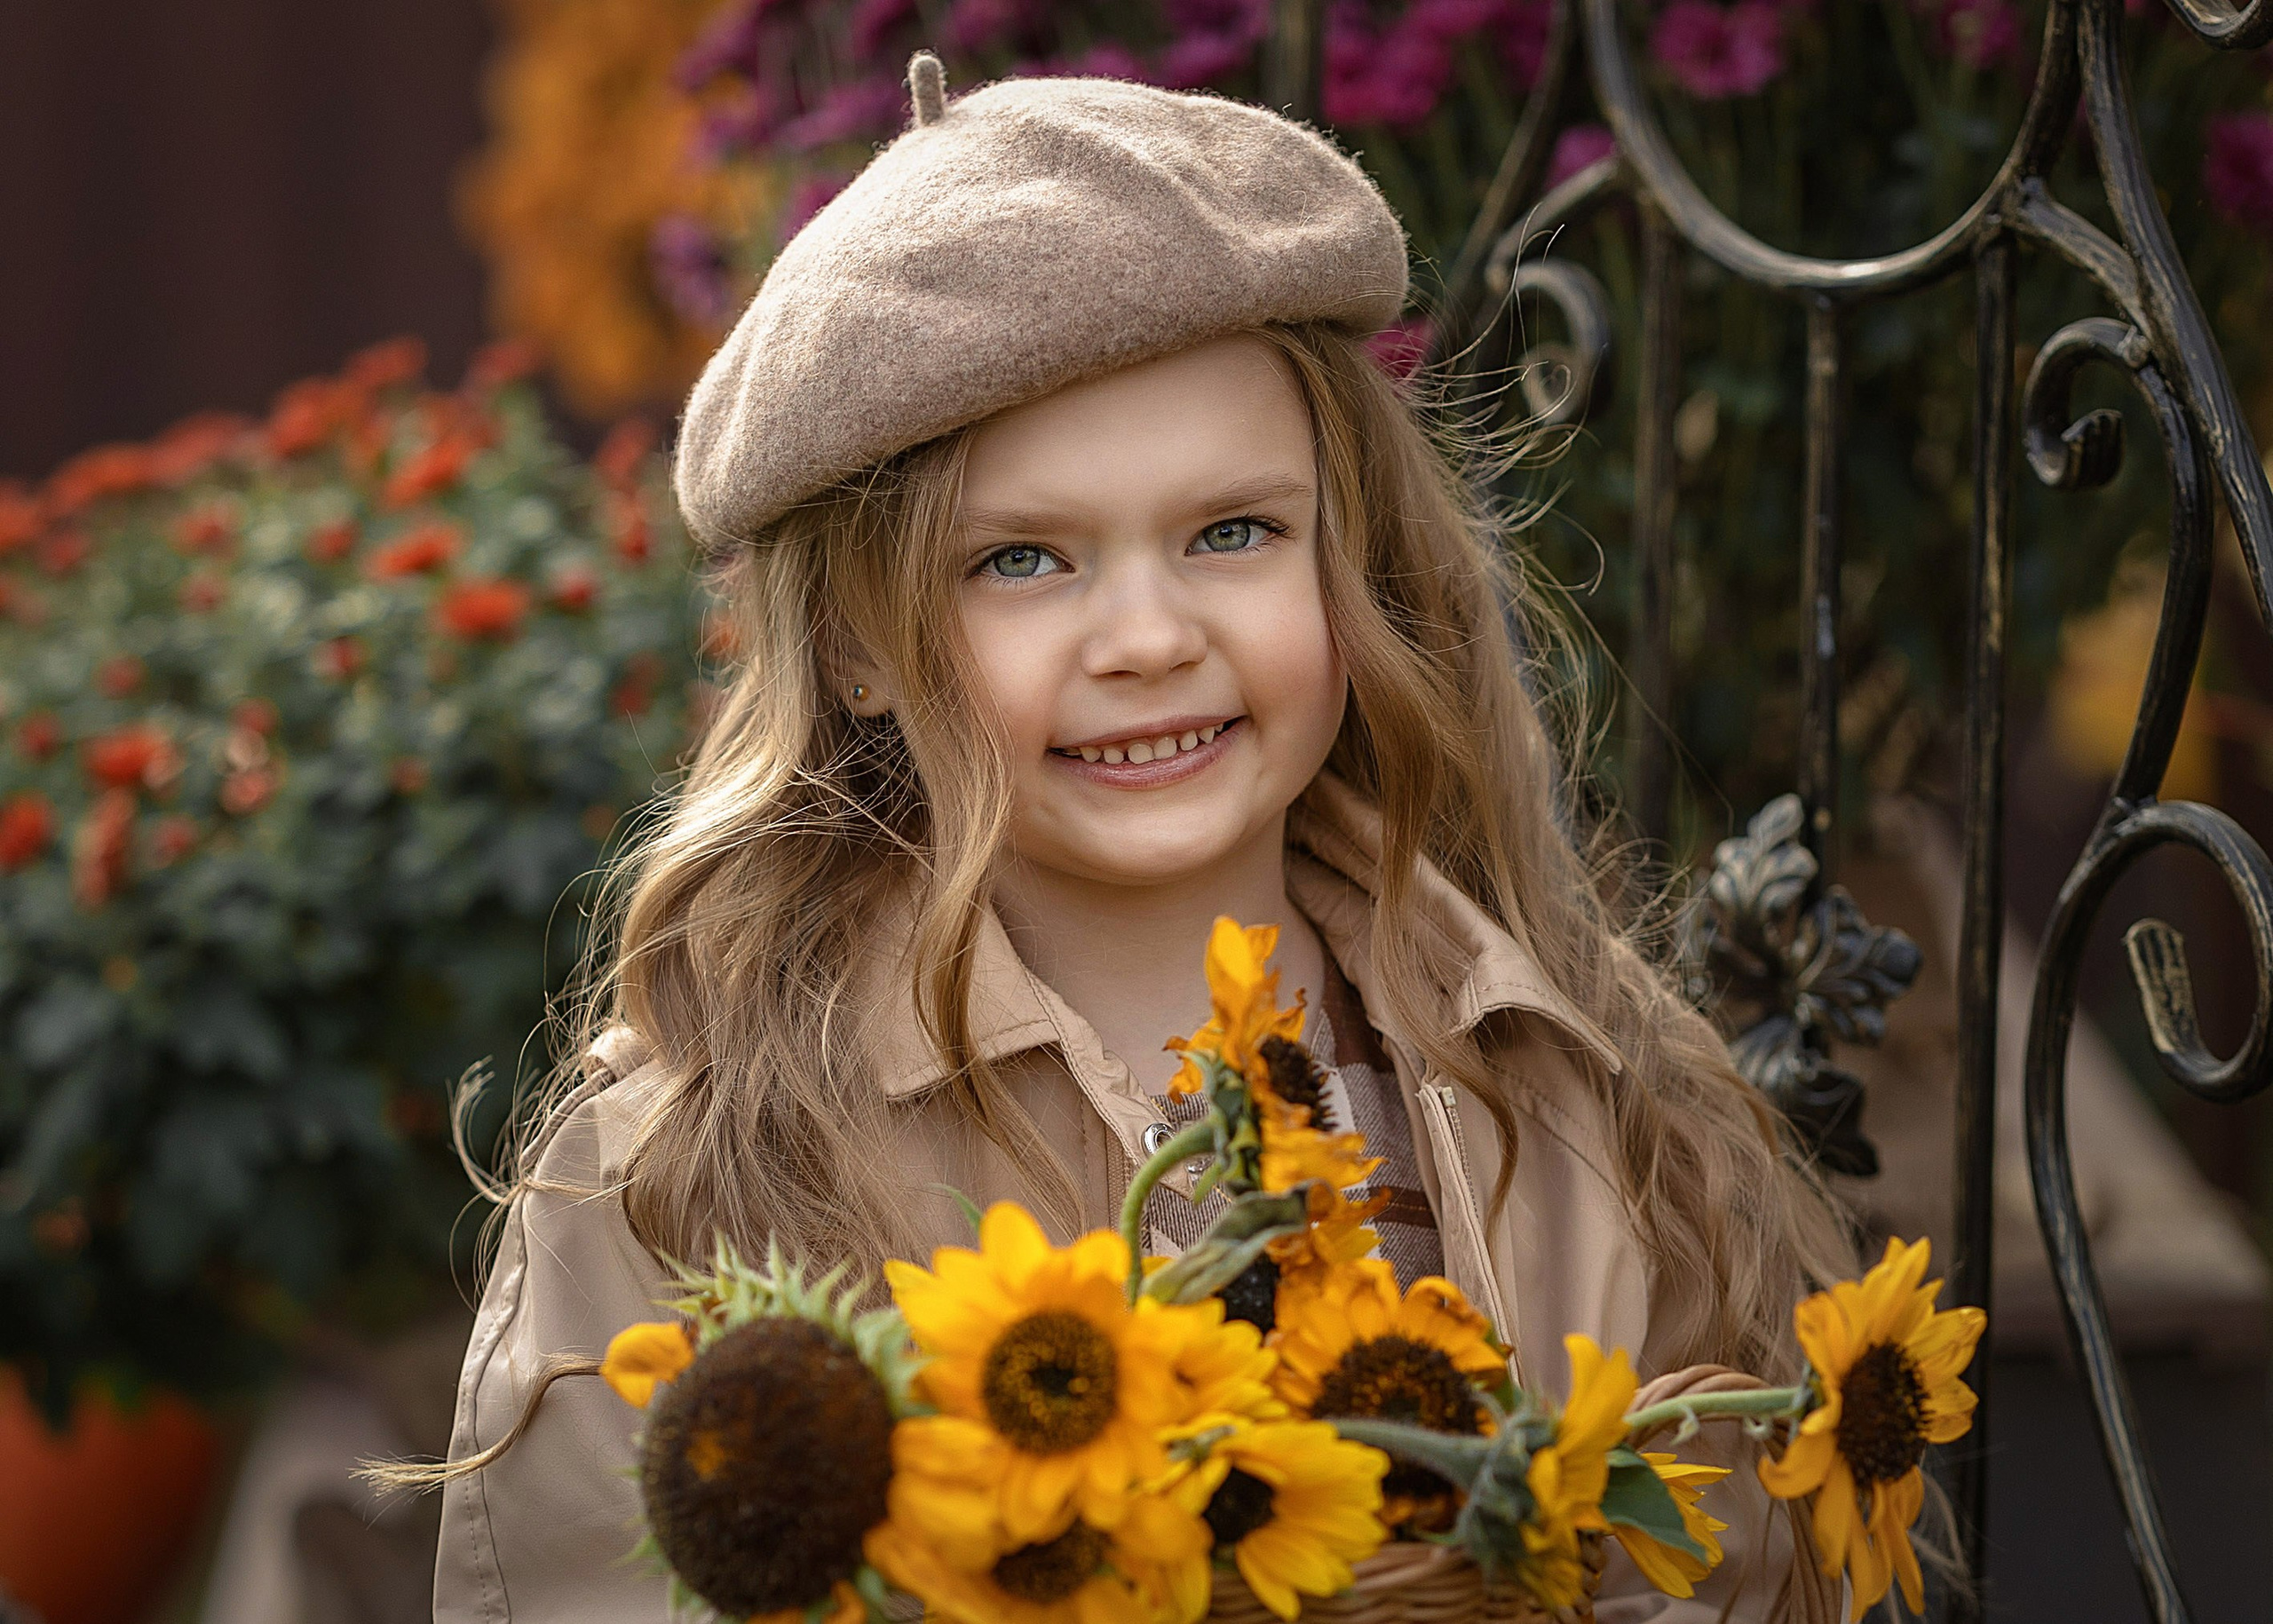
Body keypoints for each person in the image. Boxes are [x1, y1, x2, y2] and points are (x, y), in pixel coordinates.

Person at [425, 52, 1855, 1624]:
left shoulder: (1581, 1080)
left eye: (1230, 533)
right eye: (1024, 559)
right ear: (854, 648)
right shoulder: (700, 1162)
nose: (1148, 636)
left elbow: (1750, 1561)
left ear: (1354, 558)